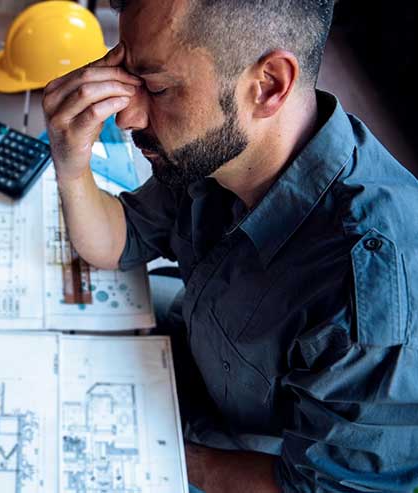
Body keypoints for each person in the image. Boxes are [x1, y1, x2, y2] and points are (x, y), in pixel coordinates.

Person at [42, 0, 418, 491]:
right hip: (196, 352)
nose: (127, 116)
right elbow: (121, 239)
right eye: (126, 72)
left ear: (267, 86)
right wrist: (72, 164)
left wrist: (155, 450)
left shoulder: (370, 296)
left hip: (254, 452)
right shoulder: (216, 150)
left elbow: (324, 487)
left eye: (155, 87)